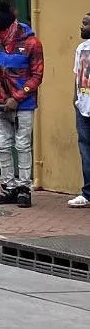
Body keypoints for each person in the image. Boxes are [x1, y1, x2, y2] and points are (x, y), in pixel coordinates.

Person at [0, 0, 44, 207]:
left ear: (11, 27)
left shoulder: (32, 44)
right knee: (2, 146)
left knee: (23, 145)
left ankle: (24, 188)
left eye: (1, 30)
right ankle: (8, 187)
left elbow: (37, 76)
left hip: (22, 103)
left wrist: (18, 97)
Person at [71, 12, 90, 209]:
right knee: (85, 150)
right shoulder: (81, 48)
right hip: (83, 107)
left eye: (85, 24)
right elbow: (77, 74)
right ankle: (87, 193)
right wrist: (75, 98)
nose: (81, 27)